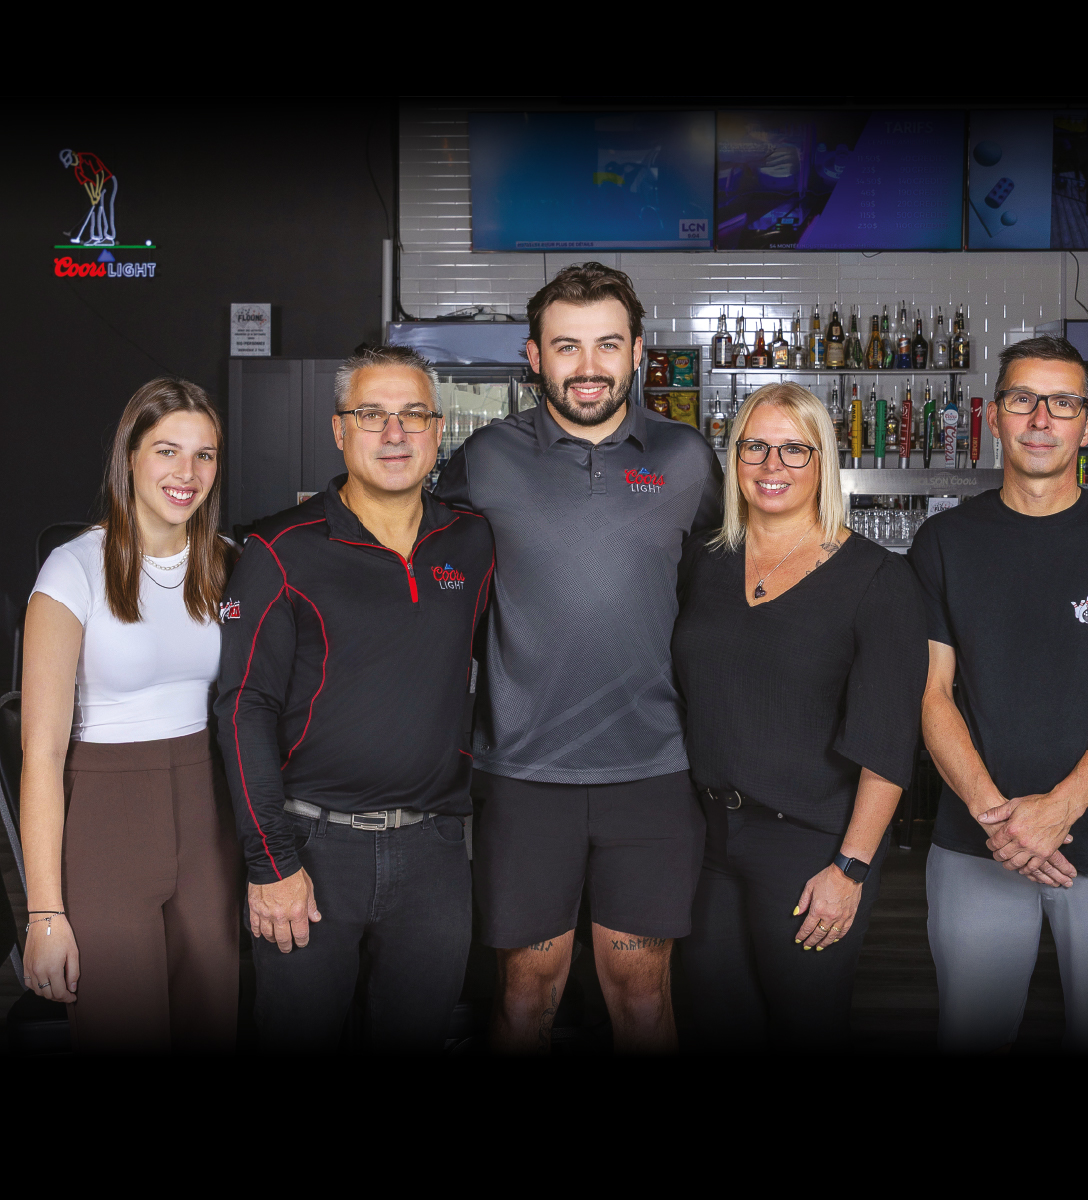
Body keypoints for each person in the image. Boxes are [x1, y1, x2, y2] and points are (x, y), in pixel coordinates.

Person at [436, 262, 723, 1053]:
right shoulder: (485, 458)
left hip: (654, 772)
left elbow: (726, 586)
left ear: (638, 353)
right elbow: (417, 557)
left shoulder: (687, 459)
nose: (587, 366)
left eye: (606, 344)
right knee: (527, 996)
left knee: (641, 993)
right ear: (534, 356)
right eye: (567, 346)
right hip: (524, 775)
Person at [910, 336, 1088, 1053]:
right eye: (1021, 399)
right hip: (977, 844)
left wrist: (1057, 811)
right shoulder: (943, 541)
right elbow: (929, 694)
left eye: (1063, 402)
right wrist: (1000, 821)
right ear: (994, 416)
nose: (1041, 418)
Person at [214, 344, 494, 1052]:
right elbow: (243, 707)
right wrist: (270, 862)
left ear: (438, 431)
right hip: (311, 851)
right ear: (339, 430)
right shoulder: (279, 549)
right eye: (372, 415)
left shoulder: (473, 542)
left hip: (435, 853)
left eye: (413, 415)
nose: (394, 433)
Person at [671, 383, 927, 1051]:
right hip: (704, 840)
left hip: (809, 845)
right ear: (734, 457)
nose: (771, 464)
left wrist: (849, 870)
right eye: (755, 446)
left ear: (823, 462)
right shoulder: (703, 561)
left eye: (794, 449)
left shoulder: (877, 579)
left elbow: (890, 743)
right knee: (710, 1023)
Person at [21, 378, 239, 1051]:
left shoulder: (229, 565)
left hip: (207, 818)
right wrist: (45, 913)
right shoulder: (74, 571)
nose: (187, 473)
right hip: (107, 821)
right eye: (168, 451)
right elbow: (41, 752)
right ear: (131, 458)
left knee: (213, 1022)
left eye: (205, 456)